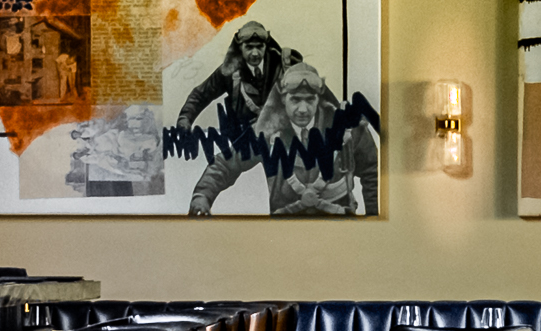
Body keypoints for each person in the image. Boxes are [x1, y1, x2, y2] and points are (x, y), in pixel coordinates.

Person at [161, 21, 382, 217]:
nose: (303, 109)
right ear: (283, 99)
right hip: (283, 233)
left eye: (310, 99)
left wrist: (374, 216)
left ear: (319, 97)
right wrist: (202, 196)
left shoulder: (348, 130)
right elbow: (225, 164)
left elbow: (373, 171)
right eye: (295, 99)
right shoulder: (265, 130)